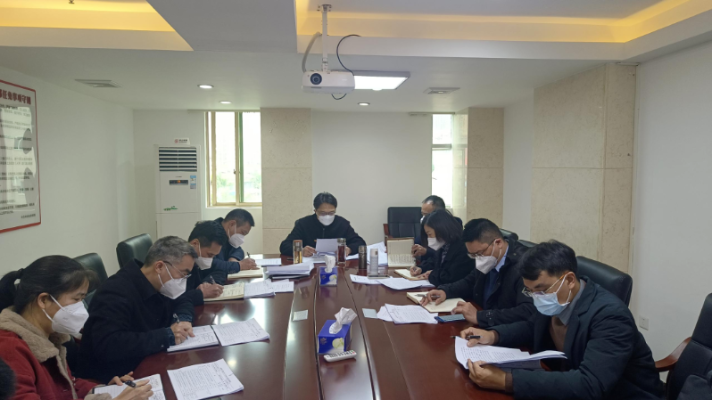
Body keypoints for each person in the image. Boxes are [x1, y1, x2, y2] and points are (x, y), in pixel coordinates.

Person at [459, 240, 664, 400]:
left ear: (569, 280)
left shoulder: (611, 316)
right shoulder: (558, 297)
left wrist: (506, 380)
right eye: (530, 291)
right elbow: (532, 327)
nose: (536, 297)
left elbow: (590, 384)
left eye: (541, 290)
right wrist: (493, 335)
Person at [0, 256, 153, 400]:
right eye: (76, 299)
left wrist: (106, 390)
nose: (81, 307)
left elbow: (68, 385)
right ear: (44, 300)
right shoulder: (10, 348)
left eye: (82, 299)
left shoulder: (49, 334)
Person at [78, 237, 200, 383]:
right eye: (183, 274)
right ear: (159, 267)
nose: (183, 280)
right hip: (118, 376)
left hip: (150, 359)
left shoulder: (159, 282)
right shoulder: (116, 291)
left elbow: (183, 298)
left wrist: (184, 319)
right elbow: (109, 344)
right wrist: (166, 336)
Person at [421, 218, 534, 328]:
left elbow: (527, 310)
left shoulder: (525, 265)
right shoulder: (490, 258)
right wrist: (445, 291)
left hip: (505, 330)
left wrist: (482, 317)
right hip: (483, 323)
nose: (478, 259)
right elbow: (470, 282)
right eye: (472, 255)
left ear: (498, 243)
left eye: (479, 253)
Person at [279, 192, 366, 257]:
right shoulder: (303, 224)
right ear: (315, 211)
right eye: (323, 213)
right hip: (311, 267)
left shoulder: (342, 223)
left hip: (337, 266)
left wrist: (349, 249)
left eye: (331, 212)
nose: (327, 216)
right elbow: (284, 246)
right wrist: (301, 250)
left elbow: (360, 243)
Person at [409, 209, 471, 286]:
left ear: (442, 230)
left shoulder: (463, 247)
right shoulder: (445, 244)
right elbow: (434, 261)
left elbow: (452, 276)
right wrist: (421, 268)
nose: (429, 238)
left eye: (430, 234)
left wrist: (432, 274)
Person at [411, 195, 462, 260]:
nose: (424, 218)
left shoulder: (453, 234)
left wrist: (427, 252)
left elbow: (444, 254)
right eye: (422, 214)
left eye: (427, 215)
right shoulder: (426, 226)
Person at [185, 220, 227, 298]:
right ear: (195, 244)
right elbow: (172, 301)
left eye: (214, 256)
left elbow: (220, 271)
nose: (210, 259)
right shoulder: (176, 264)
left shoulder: (198, 261)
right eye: (210, 255)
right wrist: (200, 293)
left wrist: (207, 283)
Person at [212, 209, 258, 274]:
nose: (242, 238)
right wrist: (240, 265)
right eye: (243, 232)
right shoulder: (211, 234)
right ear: (232, 224)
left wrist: (233, 258)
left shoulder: (227, 234)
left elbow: (238, 250)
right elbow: (211, 264)